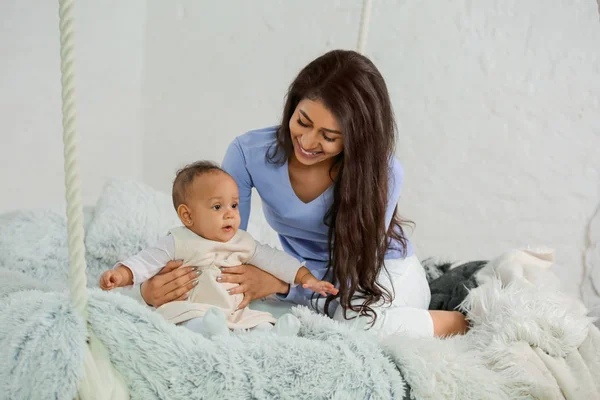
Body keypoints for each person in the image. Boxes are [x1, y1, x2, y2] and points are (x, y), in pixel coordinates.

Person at [139, 50, 468, 338]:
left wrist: (282, 285)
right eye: (303, 122)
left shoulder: (383, 172)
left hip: (378, 272)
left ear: (357, 138)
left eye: (329, 136)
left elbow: (354, 271)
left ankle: (455, 323)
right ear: (291, 108)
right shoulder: (249, 153)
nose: (308, 143)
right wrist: (157, 287)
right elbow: (220, 240)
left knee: (356, 325)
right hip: (308, 278)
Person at [100, 161, 337, 332]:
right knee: (191, 323)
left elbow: (276, 260)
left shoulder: (243, 242)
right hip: (193, 310)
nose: (230, 215)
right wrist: (121, 274)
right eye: (217, 207)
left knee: (259, 322)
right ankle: (212, 333)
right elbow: (146, 261)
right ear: (187, 216)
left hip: (234, 312)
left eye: (234, 205)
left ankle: (275, 336)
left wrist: (307, 277)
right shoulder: (179, 241)